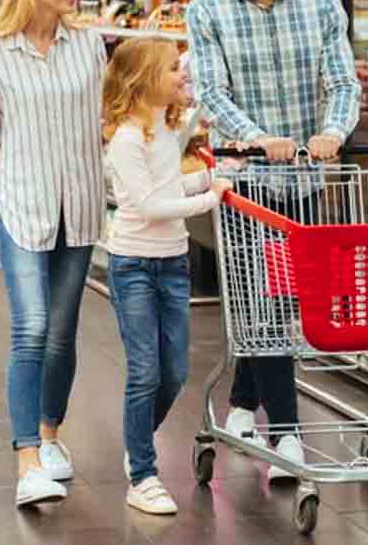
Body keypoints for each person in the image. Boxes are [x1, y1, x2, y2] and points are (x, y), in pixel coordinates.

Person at [186, 0, 361, 480]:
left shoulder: (319, 2)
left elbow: (342, 81)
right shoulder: (207, 11)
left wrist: (334, 130)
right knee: (258, 303)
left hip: (305, 179)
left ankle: (239, 403)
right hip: (244, 180)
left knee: (278, 304)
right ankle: (286, 436)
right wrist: (260, 139)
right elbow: (211, 95)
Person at [0, 0, 107, 507]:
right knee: (33, 328)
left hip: (81, 207)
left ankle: (50, 435)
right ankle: (26, 460)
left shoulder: (89, 46)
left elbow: (102, 121)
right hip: (21, 207)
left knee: (64, 332)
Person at [101, 38, 231, 514]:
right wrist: (208, 200)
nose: (182, 76)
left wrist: (208, 181)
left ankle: (138, 443)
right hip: (133, 264)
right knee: (144, 371)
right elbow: (153, 205)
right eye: (173, 69)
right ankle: (142, 474)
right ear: (143, 81)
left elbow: (168, 186)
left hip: (172, 264)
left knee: (174, 372)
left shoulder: (164, 131)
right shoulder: (126, 141)